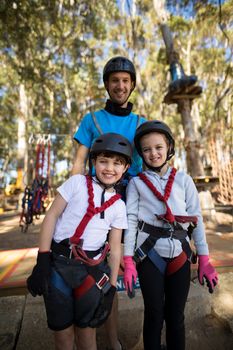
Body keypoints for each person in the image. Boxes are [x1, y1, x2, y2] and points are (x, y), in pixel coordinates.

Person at [27, 133, 132, 350]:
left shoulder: (119, 206)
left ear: (125, 168)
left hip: (90, 272)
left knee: (87, 334)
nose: (109, 168)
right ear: (93, 162)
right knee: (63, 335)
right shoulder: (76, 183)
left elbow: (114, 248)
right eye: (103, 161)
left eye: (117, 163)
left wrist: (111, 288)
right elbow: (52, 216)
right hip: (58, 265)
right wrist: (43, 259)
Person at [71, 56, 147, 350]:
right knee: (106, 275)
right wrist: (74, 201)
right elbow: (79, 163)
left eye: (126, 80)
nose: (120, 85)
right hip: (98, 205)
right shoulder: (91, 120)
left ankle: (143, 340)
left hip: (134, 206)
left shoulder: (141, 122)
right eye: (115, 80)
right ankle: (112, 342)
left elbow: (150, 166)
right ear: (106, 84)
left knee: (141, 270)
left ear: (132, 86)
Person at [123, 120, 218, 350]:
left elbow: (196, 219)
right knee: (154, 314)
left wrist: (204, 258)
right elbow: (131, 222)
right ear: (141, 154)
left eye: (158, 147)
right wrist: (128, 260)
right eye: (146, 149)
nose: (153, 153)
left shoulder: (184, 181)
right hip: (149, 256)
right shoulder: (136, 184)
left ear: (169, 148)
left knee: (176, 317)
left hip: (180, 256)